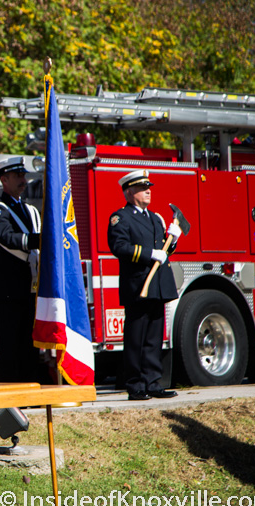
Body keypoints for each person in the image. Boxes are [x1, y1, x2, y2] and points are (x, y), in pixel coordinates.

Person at [107, 169, 180, 401]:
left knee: (153, 338)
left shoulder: (156, 217)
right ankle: (136, 384)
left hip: (156, 286)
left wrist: (173, 239)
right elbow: (120, 247)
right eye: (142, 188)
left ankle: (153, 381)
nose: (148, 191)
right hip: (139, 285)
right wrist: (150, 254)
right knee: (136, 338)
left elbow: (164, 252)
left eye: (149, 187)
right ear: (129, 192)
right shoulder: (121, 217)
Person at [0, 156, 47, 383]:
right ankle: (13, 391)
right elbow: (6, 237)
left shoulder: (30, 210)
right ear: (4, 179)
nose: (23, 180)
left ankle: (30, 386)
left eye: (24, 175)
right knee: (10, 343)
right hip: (9, 288)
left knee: (30, 342)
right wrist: (40, 240)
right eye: (18, 176)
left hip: (31, 286)